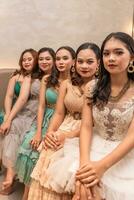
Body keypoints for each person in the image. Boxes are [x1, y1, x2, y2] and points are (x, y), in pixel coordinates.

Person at [28, 42, 100, 200]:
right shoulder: (67, 84)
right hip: (65, 124)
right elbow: (59, 113)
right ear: (75, 63)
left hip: (88, 131)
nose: (84, 66)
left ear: (98, 63)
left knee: (68, 172)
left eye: (89, 62)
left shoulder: (102, 87)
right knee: (48, 153)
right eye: (80, 61)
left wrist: (67, 136)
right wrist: (50, 133)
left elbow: (96, 123)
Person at [74, 32, 134, 200]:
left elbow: (132, 136)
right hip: (93, 145)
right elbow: (86, 127)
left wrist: (101, 166)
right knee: (81, 184)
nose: (111, 58)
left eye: (118, 52)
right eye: (106, 53)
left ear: (132, 58)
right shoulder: (92, 86)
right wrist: (84, 164)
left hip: (125, 154)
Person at [16, 46, 75, 200]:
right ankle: (26, 194)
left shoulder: (74, 82)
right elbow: (41, 106)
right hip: (44, 117)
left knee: (39, 152)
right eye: (58, 59)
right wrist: (37, 132)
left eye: (65, 58)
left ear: (72, 61)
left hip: (61, 122)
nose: (61, 62)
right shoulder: (47, 79)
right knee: (28, 144)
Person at [0, 48, 40, 195]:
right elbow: (9, 96)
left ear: (35, 60)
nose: (26, 62)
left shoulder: (38, 76)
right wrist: (7, 116)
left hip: (32, 112)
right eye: (24, 59)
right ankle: (9, 175)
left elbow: (24, 98)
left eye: (30, 59)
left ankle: (10, 177)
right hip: (17, 110)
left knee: (17, 128)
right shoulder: (16, 76)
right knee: (11, 127)